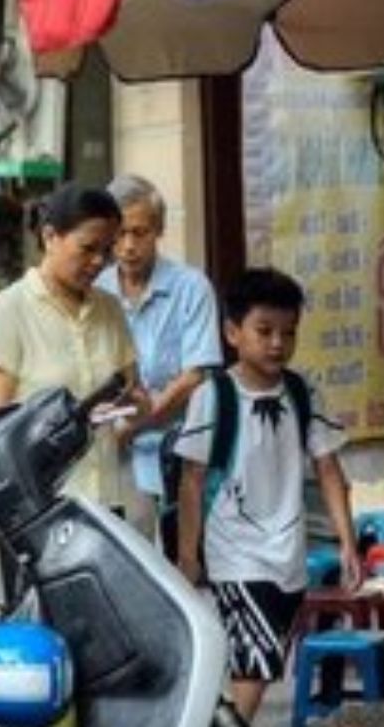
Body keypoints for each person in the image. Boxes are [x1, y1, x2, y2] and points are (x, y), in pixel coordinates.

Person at [174, 268, 358, 723]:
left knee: (256, 662)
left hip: (288, 554)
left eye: (288, 333)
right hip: (234, 553)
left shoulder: (302, 392)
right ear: (232, 332)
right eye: (264, 331)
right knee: (254, 667)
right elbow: (192, 479)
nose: (277, 343)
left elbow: (329, 468)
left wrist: (348, 542)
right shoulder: (212, 395)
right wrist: (188, 556)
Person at [0, 183, 146, 510]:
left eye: (107, 250)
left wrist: (133, 407)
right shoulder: (9, 309)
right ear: (50, 237)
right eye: (88, 248)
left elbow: (136, 397)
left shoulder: (109, 309)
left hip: (106, 503)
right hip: (41, 509)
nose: (98, 262)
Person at [95, 174, 223, 545]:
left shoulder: (191, 287)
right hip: (113, 455)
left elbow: (195, 375)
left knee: (180, 558)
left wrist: (132, 427)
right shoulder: (97, 291)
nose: (128, 246)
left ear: (159, 230)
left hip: (178, 450)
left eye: (140, 233)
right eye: (119, 235)